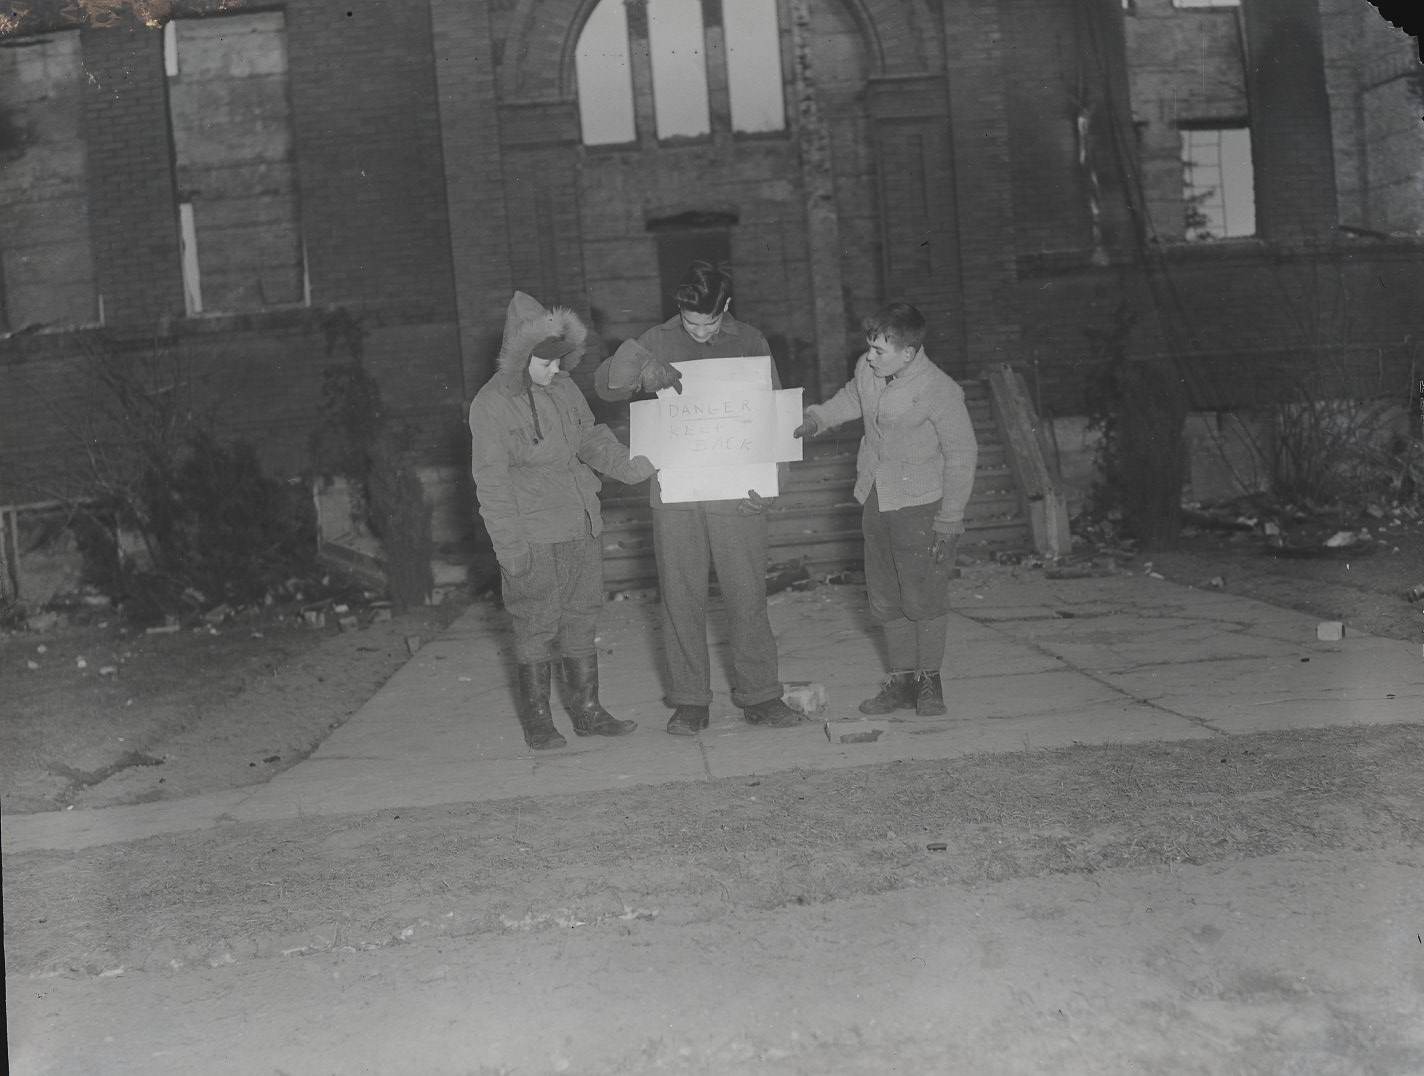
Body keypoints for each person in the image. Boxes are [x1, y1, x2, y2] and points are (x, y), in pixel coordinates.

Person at [594, 261, 802, 736]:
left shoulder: (751, 340)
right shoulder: (656, 339)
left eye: (709, 322)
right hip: (677, 493)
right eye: (691, 321)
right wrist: (638, 364)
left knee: (747, 597)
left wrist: (772, 485)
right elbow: (604, 387)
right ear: (679, 309)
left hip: (738, 492)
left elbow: (774, 414)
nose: (701, 331)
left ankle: (761, 695)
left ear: (726, 308)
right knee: (681, 598)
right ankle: (690, 702)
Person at [470, 291, 657, 750]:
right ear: (520, 355)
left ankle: (588, 711)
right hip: (533, 535)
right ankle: (538, 721)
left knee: (581, 618)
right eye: (545, 362)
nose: (555, 370)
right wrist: (509, 548)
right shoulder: (491, 405)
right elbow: (490, 484)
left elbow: (591, 438)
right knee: (537, 624)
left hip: (580, 524)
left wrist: (631, 465)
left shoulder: (565, 388)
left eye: (560, 360)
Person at [794, 301, 979, 717]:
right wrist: (816, 419)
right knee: (885, 597)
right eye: (869, 347)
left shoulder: (939, 390)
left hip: (922, 505)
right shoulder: (869, 369)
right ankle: (900, 681)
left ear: (909, 353)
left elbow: (962, 453)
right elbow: (851, 397)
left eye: (880, 350)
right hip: (876, 496)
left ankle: (929, 682)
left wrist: (950, 518)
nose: (870, 356)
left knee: (923, 597)